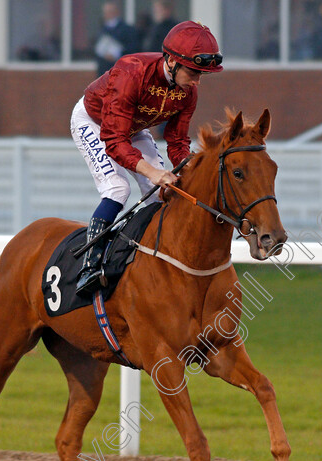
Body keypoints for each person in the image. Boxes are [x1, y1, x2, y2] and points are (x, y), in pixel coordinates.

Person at [72, 21, 223, 295]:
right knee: (118, 189)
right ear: (172, 61)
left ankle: (151, 260)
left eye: (203, 74)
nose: (198, 81)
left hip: (134, 128)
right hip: (95, 123)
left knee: (160, 194)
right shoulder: (131, 71)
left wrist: (190, 170)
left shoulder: (188, 90)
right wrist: (153, 173)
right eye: (194, 72)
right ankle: (89, 266)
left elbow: (177, 141)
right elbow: (114, 140)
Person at [94, 1, 139, 76]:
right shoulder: (102, 30)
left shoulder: (127, 30)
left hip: (120, 72)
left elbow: (133, 49)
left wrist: (118, 54)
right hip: (104, 72)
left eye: (110, 12)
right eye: (106, 12)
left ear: (116, 12)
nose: (107, 15)